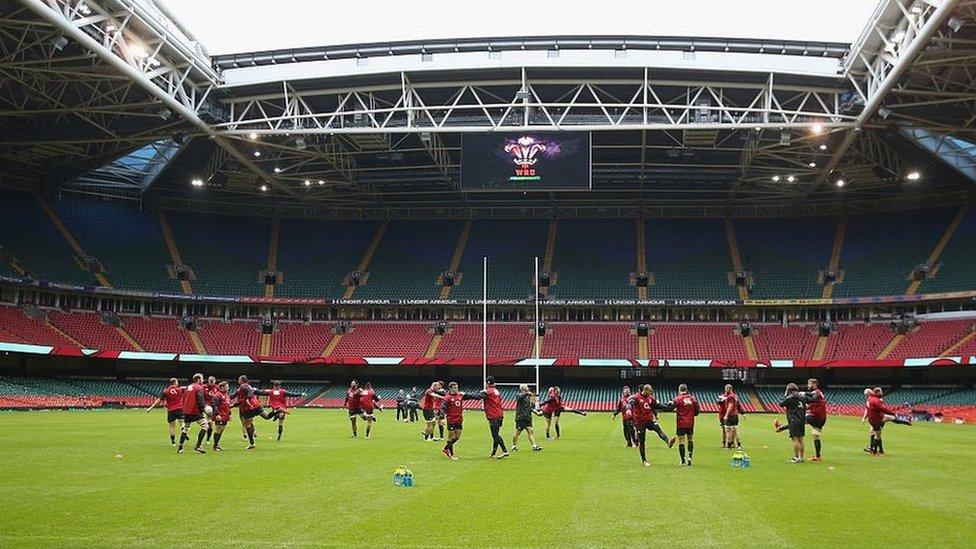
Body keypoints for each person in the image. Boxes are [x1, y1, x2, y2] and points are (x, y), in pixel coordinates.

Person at [627, 384, 676, 467]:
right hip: (639, 422)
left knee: (658, 430)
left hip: (649, 419)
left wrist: (669, 406)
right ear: (645, 390)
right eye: (650, 392)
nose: (651, 393)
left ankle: (668, 442)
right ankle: (644, 460)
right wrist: (628, 410)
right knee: (642, 441)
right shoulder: (636, 397)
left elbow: (659, 405)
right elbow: (630, 403)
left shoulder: (650, 398)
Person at [464, 376, 509, 459]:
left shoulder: (488, 391)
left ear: (488, 382)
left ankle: (505, 451)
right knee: (496, 434)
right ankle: (493, 453)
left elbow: (477, 397)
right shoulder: (496, 391)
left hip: (493, 415)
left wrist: (464, 395)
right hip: (499, 414)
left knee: (495, 435)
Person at [774, 383, 818, 463]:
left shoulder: (790, 397)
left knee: (795, 439)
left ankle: (796, 457)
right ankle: (801, 457)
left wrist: (785, 395)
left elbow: (781, 404)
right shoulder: (802, 396)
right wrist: (806, 393)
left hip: (793, 419)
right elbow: (814, 398)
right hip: (802, 420)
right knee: (801, 439)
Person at [439, 381, 483, 460]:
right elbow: (443, 408)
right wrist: (442, 418)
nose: (456, 389)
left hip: (459, 419)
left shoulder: (460, 395)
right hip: (451, 420)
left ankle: (446, 448)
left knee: (457, 437)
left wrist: (480, 394)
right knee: (451, 437)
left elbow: (471, 396)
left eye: (457, 387)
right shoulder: (447, 398)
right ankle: (451, 454)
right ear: (450, 388)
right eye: (454, 388)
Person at [862, 387, 911, 455]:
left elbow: (869, 409)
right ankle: (875, 450)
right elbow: (883, 409)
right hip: (877, 418)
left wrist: (864, 418)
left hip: (876, 418)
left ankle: (874, 449)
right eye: (880, 391)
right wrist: (892, 413)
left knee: (876, 432)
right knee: (877, 434)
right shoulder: (876, 400)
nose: (882, 393)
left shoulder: (870, 399)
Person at [231, 375, 275, 450]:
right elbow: (240, 398)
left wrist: (247, 399)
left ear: (241, 380)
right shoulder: (247, 388)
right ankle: (276, 411)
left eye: (239, 379)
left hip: (249, 407)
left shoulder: (243, 386)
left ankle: (252, 444)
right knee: (266, 416)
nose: (238, 381)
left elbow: (246, 396)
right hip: (256, 405)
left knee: (246, 424)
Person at [178, 373, 210, 454]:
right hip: (194, 411)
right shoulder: (199, 388)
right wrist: (204, 408)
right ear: (198, 380)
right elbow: (200, 400)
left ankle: (180, 447)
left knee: (186, 428)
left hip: (186, 411)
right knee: (205, 426)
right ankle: (198, 445)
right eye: (202, 378)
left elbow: (184, 397)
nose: (203, 380)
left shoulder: (189, 387)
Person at [146, 377, 184, 445]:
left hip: (171, 410)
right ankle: (184, 433)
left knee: (172, 426)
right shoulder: (180, 389)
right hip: (179, 409)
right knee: (182, 424)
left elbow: (159, 401)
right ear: (175, 382)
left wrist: (150, 408)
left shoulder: (165, 391)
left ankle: (173, 442)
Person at [670, 384, 700, 466]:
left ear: (679, 390)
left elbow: (671, 407)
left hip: (681, 423)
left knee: (681, 441)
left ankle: (683, 460)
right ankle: (690, 458)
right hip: (690, 422)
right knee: (690, 439)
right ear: (687, 390)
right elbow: (697, 410)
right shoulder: (692, 398)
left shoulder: (678, 399)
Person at [512, 384, 542, 452]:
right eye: (526, 387)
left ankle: (534, 446)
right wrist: (527, 393)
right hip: (521, 418)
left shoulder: (527, 398)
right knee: (517, 433)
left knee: (530, 432)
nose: (528, 388)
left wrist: (537, 413)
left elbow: (530, 408)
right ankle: (514, 446)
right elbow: (520, 397)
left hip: (527, 418)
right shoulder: (519, 395)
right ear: (523, 388)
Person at [718, 384, 746, 449]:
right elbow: (718, 402)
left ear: (730, 389)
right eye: (725, 388)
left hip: (729, 415)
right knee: (733, 430)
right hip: (732, 415)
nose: (725, 390)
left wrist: (726, 415)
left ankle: (729, 445)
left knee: (728, 430)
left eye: (727, 389)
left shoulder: (730, 397)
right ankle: (737, 444)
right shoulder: (733, 396)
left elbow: (731, 406)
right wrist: (720, 400)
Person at [211, 381, 233, 451]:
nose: (228, 388)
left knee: (221, 430)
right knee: (218, 429)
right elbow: (214, 405)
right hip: (220, 415)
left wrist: (229, 414)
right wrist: (217, 414)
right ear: (222, 387)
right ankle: (215, 446)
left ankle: (217, 445)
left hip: (225, 415)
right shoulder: (217, 395)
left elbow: (228, 405)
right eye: (227, 387)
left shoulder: (226, 395)